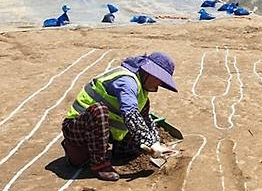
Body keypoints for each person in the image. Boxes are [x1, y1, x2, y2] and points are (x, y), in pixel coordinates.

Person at [61, 52, 179, 181]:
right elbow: (130, 115)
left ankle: (116, 150)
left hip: (105, 130)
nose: (158, 86)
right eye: (159, 80)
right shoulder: (127, 81)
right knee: (100, 111)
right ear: (149, 73)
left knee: (131, 148)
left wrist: (155, 142)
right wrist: (150, 143)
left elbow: (145, 119)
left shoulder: (141, 91)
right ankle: (99, 164)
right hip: (78, 128)